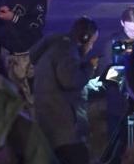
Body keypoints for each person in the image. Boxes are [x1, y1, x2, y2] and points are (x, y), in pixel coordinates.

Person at [31, 17, 99, 164]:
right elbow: (70, 80)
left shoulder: (55, 48)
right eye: (92, 42)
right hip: (65, 132)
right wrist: (89, 68)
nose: (91, 47)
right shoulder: (66, 50)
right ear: (84, 38)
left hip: (52, 129)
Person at [0, 0, 48, 106]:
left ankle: (35, 119)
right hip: (9, 51)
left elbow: (36, 25)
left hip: (27, 52)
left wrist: (14, 18)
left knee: (31, 93)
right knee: (14, 91)